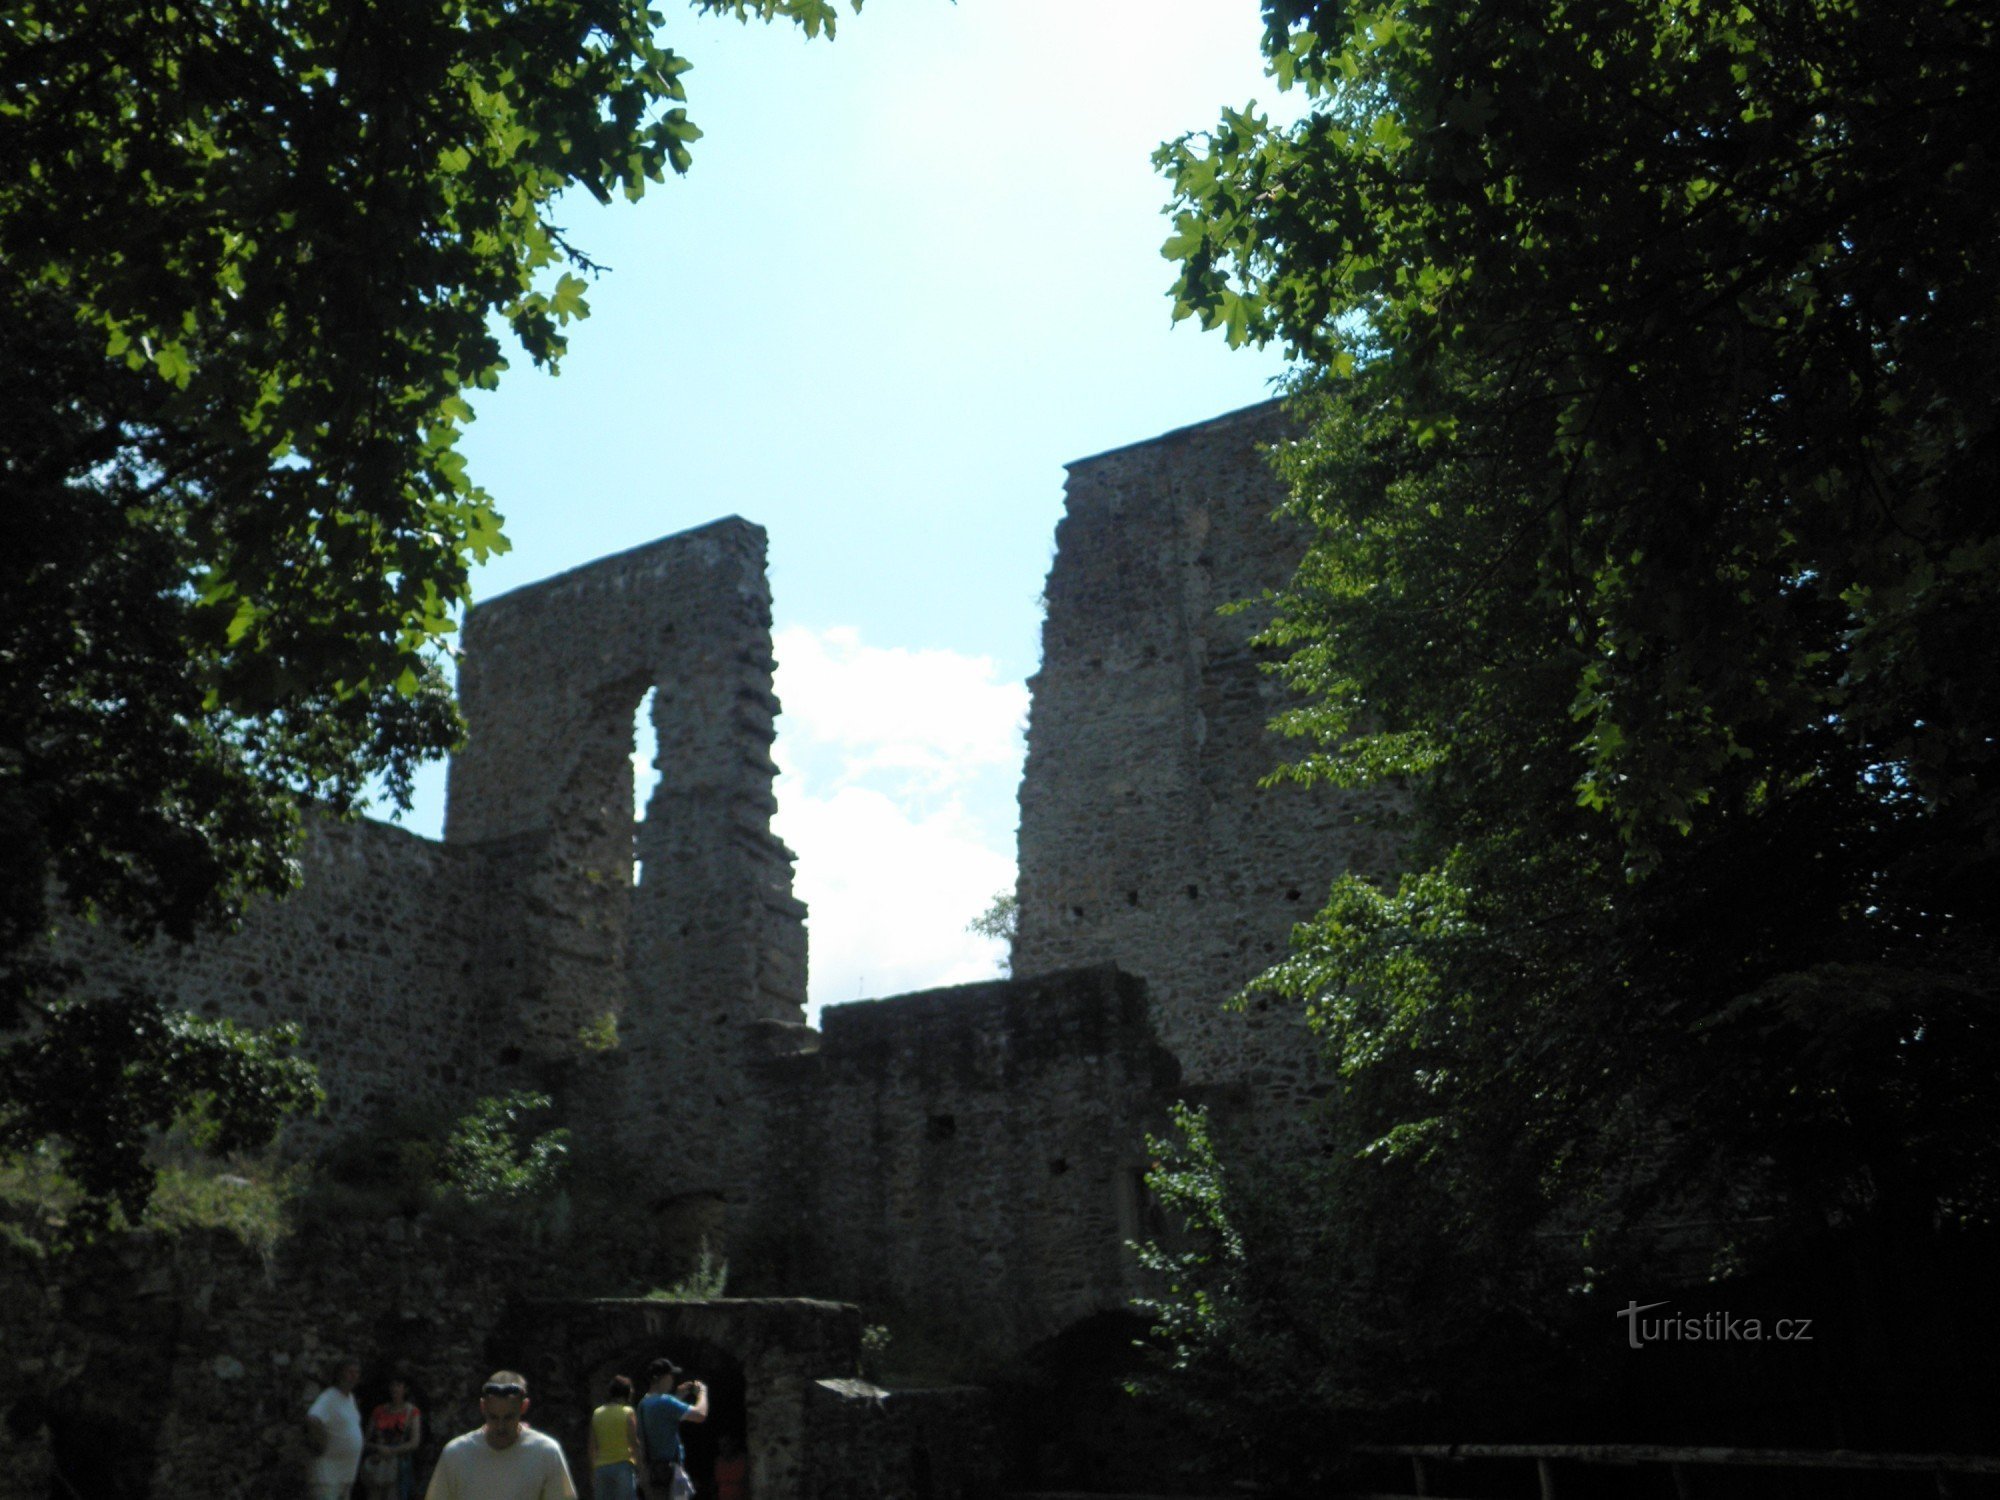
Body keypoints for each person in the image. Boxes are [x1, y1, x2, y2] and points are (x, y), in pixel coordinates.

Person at [425, 1370, 575, 1500]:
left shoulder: (546, 1453)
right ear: (483, 1407)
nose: (500, 1427)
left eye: (509, 1418)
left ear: (524, 1407)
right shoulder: (455, 1454)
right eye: (493, 1417)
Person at [636, 1357, 707, 1498]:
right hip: (668, 1472)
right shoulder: (666, 1402)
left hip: (652, 1472)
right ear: (660, 1378)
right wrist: (703, 1393)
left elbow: (662, 1418)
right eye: (670, 1375)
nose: (672, 1379)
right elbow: (700, 1415)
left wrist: (677, 1397)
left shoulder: (644, 1403)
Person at [306, 1357, 366, 1500]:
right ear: (340, 1374)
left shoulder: (350, 1398)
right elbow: (313, 1418)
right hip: (328, 1475)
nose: (353, 1376)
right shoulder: (329, 1397)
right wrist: (320, 1443)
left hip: (345, 1473)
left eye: (356, 1373)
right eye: (350, 1372)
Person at [365, 1376, 424, 1500]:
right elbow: (365, 1440)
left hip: (399, 1465)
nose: (395, 1388)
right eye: (392, 1385)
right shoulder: (379, 1411)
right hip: (378, 1462)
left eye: (398, 1385)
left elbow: (414, 1442)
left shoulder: (411, 1412)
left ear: (405, 1389)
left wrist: (392, 1451)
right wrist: (378, 1448)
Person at [587, 1375, 643, 1500]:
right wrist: (641, 1469)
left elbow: (591, 1447)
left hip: (601, 1469)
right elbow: (634, 1443)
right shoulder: (628, 1412)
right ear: (627, 1393)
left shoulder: (597, 1413)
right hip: (623, 1467)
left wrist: (593, 1472)